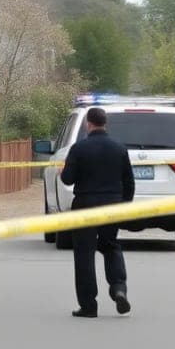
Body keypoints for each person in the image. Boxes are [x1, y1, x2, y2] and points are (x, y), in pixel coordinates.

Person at [59, 107, 135, 318]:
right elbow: (129, 181)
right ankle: (119, 288)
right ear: (105, 123)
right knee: (110, 246)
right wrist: (125, 205)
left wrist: (61, 171)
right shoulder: (119, 148)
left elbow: (68, 179)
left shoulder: (79, 148)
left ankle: (88, 305)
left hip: (85, 205)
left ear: (88, 123)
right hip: (112, 205)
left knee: (84, 254)